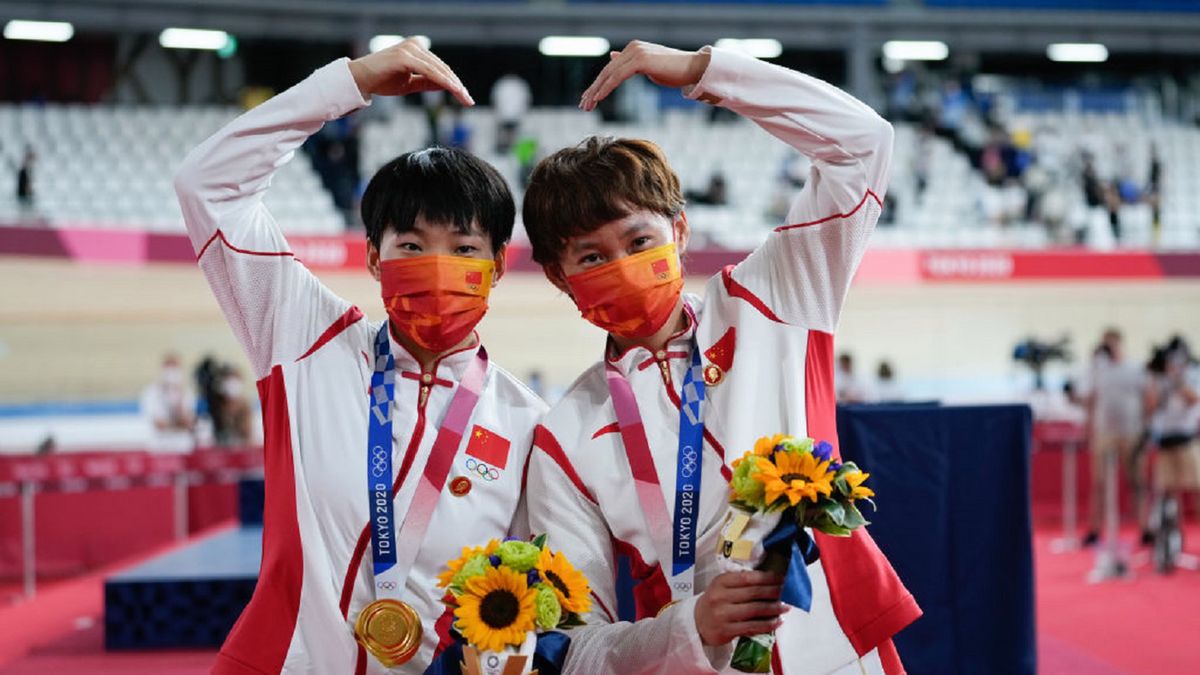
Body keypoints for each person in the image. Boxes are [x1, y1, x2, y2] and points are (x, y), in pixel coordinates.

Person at [521, 41, 918, 674]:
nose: (621, 267)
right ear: (558, 278)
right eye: (591, 258)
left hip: (839, 649)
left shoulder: (772, 300)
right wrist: (689, 626)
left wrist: (706, 71)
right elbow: (571, 648)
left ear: (679, 233)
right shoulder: (564, 434)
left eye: (639, 240)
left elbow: (864, 145)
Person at [175, 39, 546, 674]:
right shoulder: (302, 338)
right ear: (373, 258)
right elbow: (207, 186)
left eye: (463, 248)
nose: (437, 268)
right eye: (410, 245)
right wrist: (348, 84)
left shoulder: (528, 422)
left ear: (497, 266)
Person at [1078, 328, 1145, 545]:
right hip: (1104, 432)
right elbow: (1089, 399)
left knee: (1137, 481)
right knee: (1099, 483)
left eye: (1113, 344)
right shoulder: (1097, 370)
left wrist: (1145, 428)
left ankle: (1146, 528)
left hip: (1131, 432)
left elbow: (1148, 397)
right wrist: (1088, 428)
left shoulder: (1135, 369)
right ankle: (1095, 529)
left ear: (1120, 343)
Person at [140, 353, 197, 454]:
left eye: (175, 368)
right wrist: (177, 424)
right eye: (169, 368)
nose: (172, 372)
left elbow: (187, 422)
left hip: (182, 447)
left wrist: (180, 398)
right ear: (162, 370)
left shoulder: (187, 393)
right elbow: (159, 424)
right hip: (160, 447)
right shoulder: (151, 393)